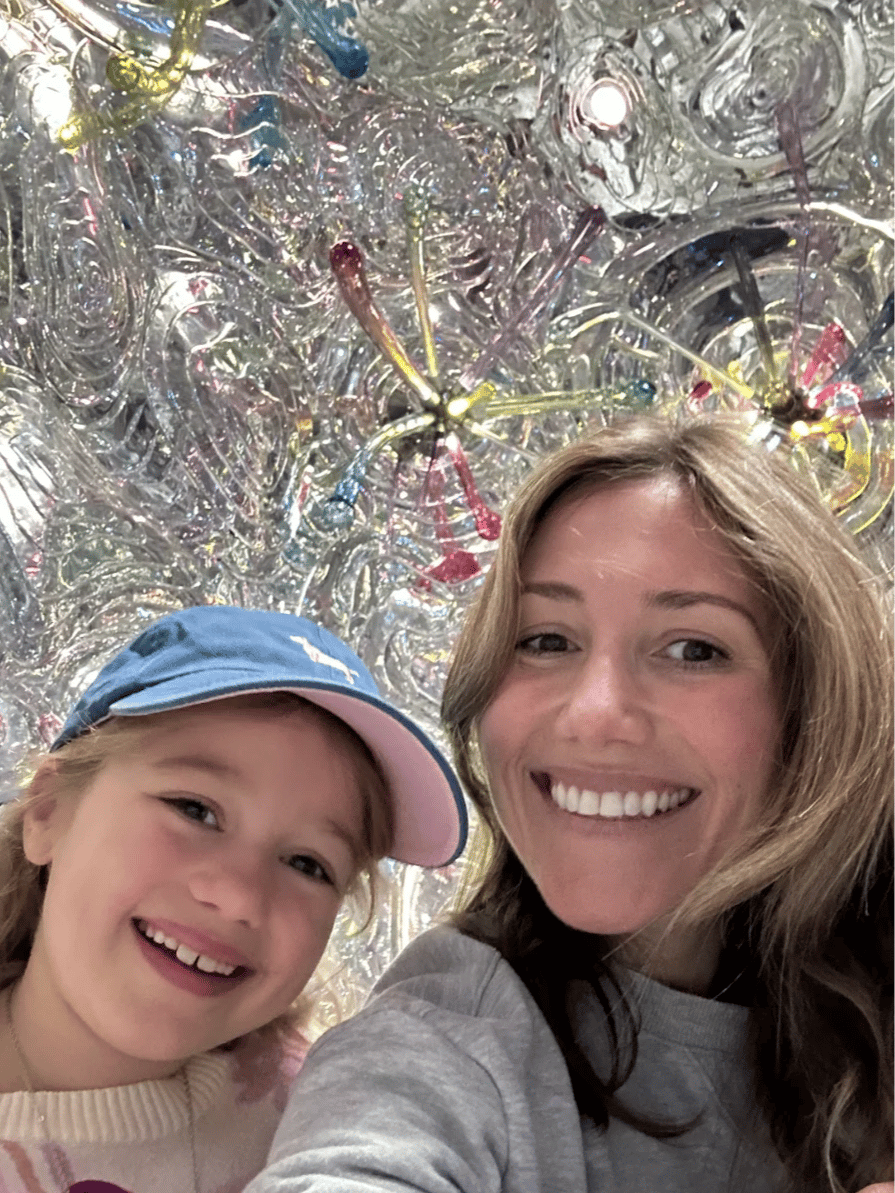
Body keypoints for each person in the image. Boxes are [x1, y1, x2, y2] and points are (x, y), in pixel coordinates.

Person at [248, 416, 894, 1193]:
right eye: (545, 640)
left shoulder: (865, 983)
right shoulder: (445, 1034)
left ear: (815, 704)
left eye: (693, 648)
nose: (593, 713)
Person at [0, 604, 466, 1193]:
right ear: (48, 813)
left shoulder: (327, 1119)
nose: (241, 896)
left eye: (308, 864)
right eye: (195, 810)